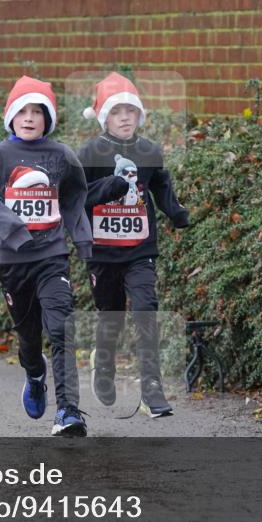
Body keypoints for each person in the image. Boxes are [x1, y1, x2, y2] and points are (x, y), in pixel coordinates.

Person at [0, 75, 92, 436]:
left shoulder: (60, 155)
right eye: (22, 110)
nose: (29, 117)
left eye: (38, 111)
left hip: (53, 257)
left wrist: (82, 238)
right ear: (10, 116)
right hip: (13, 262)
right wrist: (13, 228)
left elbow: (73, 197)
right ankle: (35, 375)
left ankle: (69, 412)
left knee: (61, 329)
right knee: (28, 336)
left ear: (48, 119)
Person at [78, 72, 190, 418]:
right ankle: (104, 363)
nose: (124, 117)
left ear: (139, 114)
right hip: (103, 252)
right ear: (103, 117)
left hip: (140, 250)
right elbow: (78, 198)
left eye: (130, 110)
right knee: (110, 315)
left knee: (145, 313)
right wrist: (109, 187)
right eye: (116, 111)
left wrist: (175, 211)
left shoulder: (149, 151)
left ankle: (152, 390)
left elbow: (160, 185)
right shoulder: (89, 153)